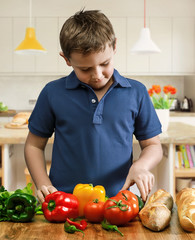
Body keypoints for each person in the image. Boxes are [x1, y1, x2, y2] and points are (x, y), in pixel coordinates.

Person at [24, 10, 163, 203]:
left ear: (114, 46)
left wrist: (141, 165)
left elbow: (153, 145)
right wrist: (43, 184)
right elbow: (33, 145)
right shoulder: (52, 93)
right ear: (66, 60)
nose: (97, 74)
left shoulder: (136, 92)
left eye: (104, 63)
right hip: (64, 201)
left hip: (119, 204)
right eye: (85, 69)